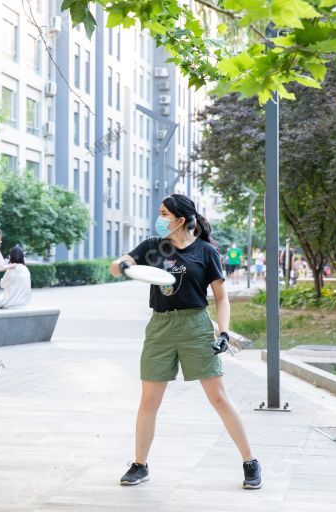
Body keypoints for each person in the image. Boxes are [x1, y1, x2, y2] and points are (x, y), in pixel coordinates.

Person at [109, 193, 262, 490]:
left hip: (195, 325)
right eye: (159, 213)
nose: (159, 218)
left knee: (218, 398)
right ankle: (140, 465)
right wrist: (124, 266)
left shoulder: (206, 252)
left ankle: (250, 461)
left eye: (164, 213)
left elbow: (221, 297)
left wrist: (224, 333)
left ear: (180, 219)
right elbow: (117, 266)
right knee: (149, 400)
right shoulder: (156, 247)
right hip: (161, 326)